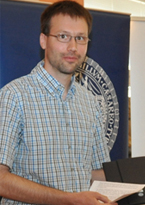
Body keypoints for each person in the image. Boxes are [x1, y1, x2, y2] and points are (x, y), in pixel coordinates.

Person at [0, 1, 116, 204]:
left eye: (80, 38)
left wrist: (144, 183)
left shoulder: (90, 102)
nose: (73, 47)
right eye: (63, 37)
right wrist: (69, 200)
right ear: (43, 40)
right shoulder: (14, 96)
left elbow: (96, 173)